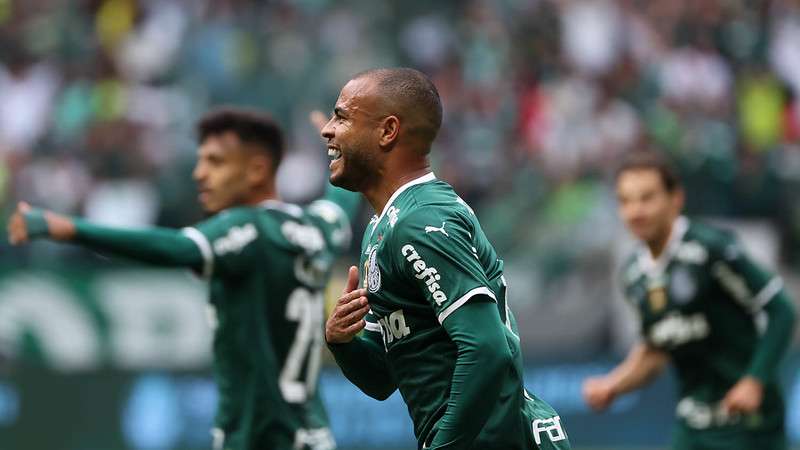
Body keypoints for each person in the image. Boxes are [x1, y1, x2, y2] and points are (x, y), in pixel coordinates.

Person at [7, 107, 360, 450]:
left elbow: (176, 247)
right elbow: (340, 200)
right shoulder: (315, 229)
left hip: (262, 436)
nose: (200, 174)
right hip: (313, 434)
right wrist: (340, 150)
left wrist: (68, 228)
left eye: (215, 162)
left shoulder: (248, 229)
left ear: (256, 170)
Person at [321, 67, 570, 450]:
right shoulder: (383, 226)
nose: (327, 129)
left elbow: (486, 349)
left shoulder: (421, 220)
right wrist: (342, 343)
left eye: (342, 116)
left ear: (388, 131)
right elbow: (381, 380)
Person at [582, 151, 796, 450]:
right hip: (693, 427)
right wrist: (612, 385)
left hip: (749, 428)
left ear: (675, 199)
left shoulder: (709, 250)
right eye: (626, 201)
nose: (636, 211)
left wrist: (754, 381)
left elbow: (781, 310)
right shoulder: (633, 275)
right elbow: (657, 350)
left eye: (647, 198)